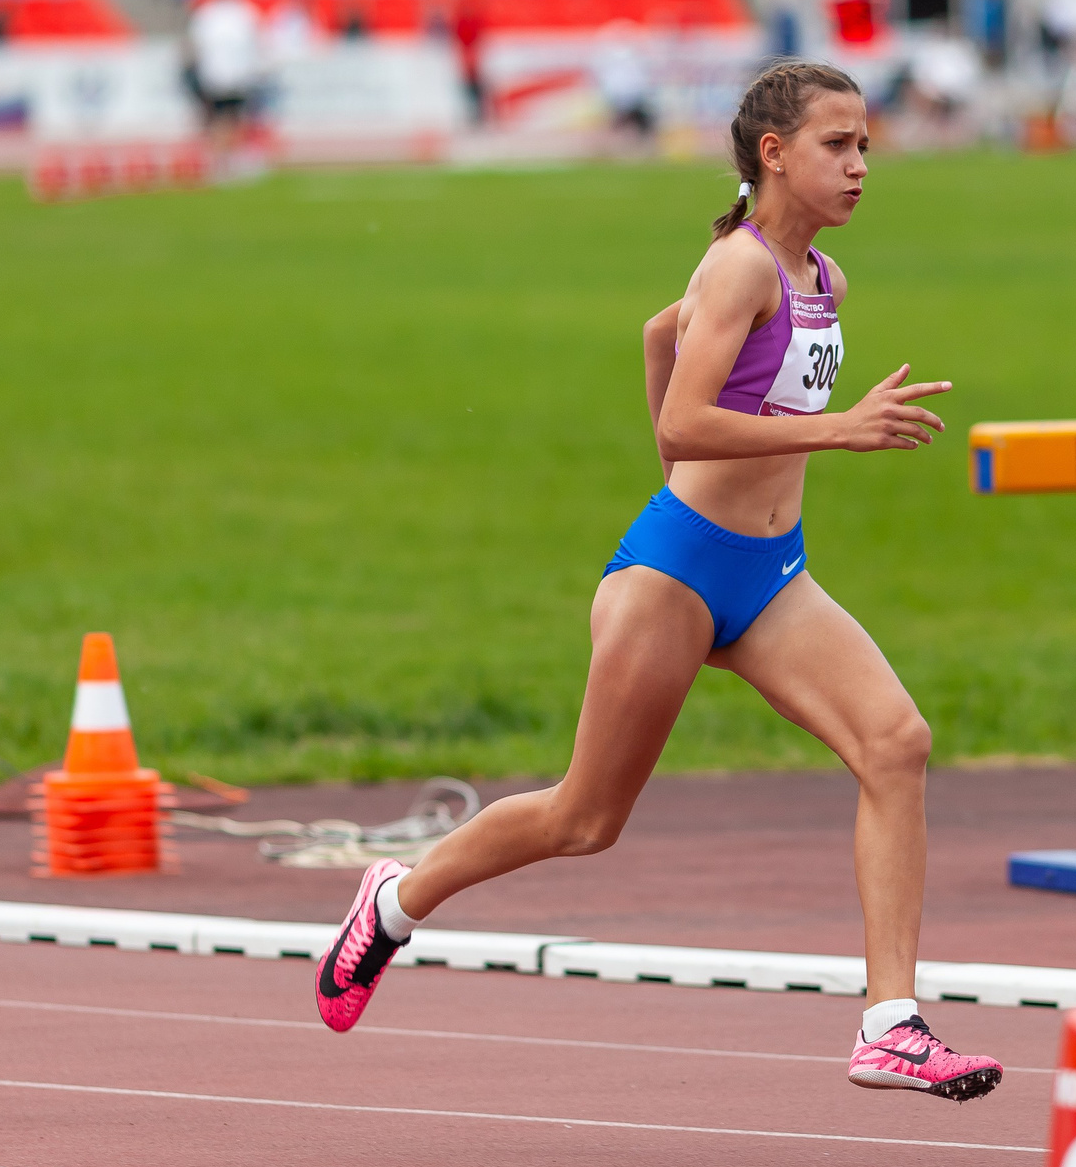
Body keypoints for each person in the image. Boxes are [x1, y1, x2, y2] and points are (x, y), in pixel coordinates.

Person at [314, 60, 1004, 1103]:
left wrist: (732, 456)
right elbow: (684, 418)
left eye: (865, 145)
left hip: (772, 576)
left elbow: (657, 336)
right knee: (584, 820)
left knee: (895, 742)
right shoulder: (739, 268)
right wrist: (830, 432)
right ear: (774, 153)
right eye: (837, 145)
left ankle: (890, 1024)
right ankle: (395, 902)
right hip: (674, 573)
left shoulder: (821, 277)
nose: (861, 165)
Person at [184, 0, 265, 168]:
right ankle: (231, 157)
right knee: (235, 117)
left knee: (220, 117)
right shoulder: (245, 11)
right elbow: (258, 43)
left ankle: (221, 158)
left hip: (214, 76)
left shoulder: (207, 13)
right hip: (238, 75)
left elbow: (193, 46)